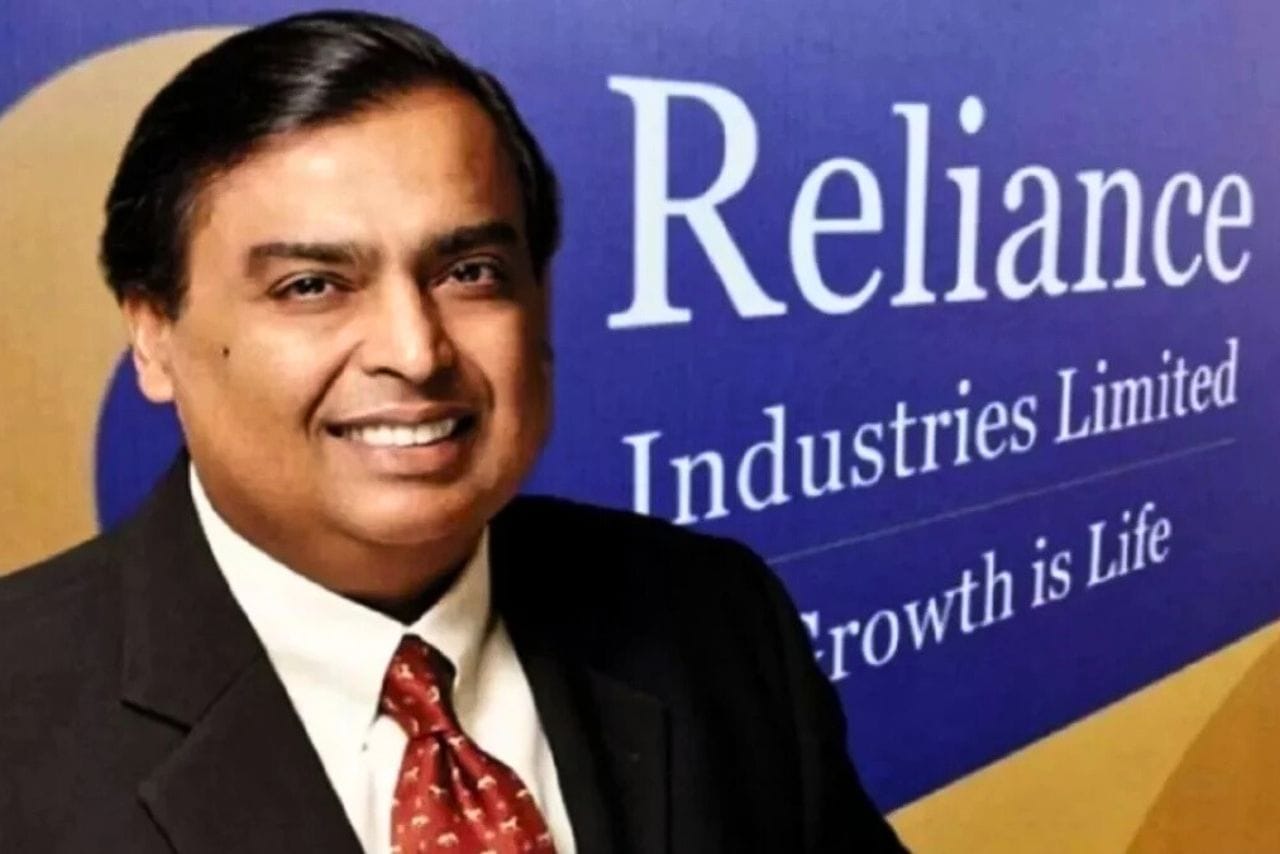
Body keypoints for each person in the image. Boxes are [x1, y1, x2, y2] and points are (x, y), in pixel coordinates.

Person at [0, 10, 904, 853]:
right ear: (154, 334)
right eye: (312, 286)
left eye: (469, 272)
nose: (415, 350)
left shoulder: (717, 618)